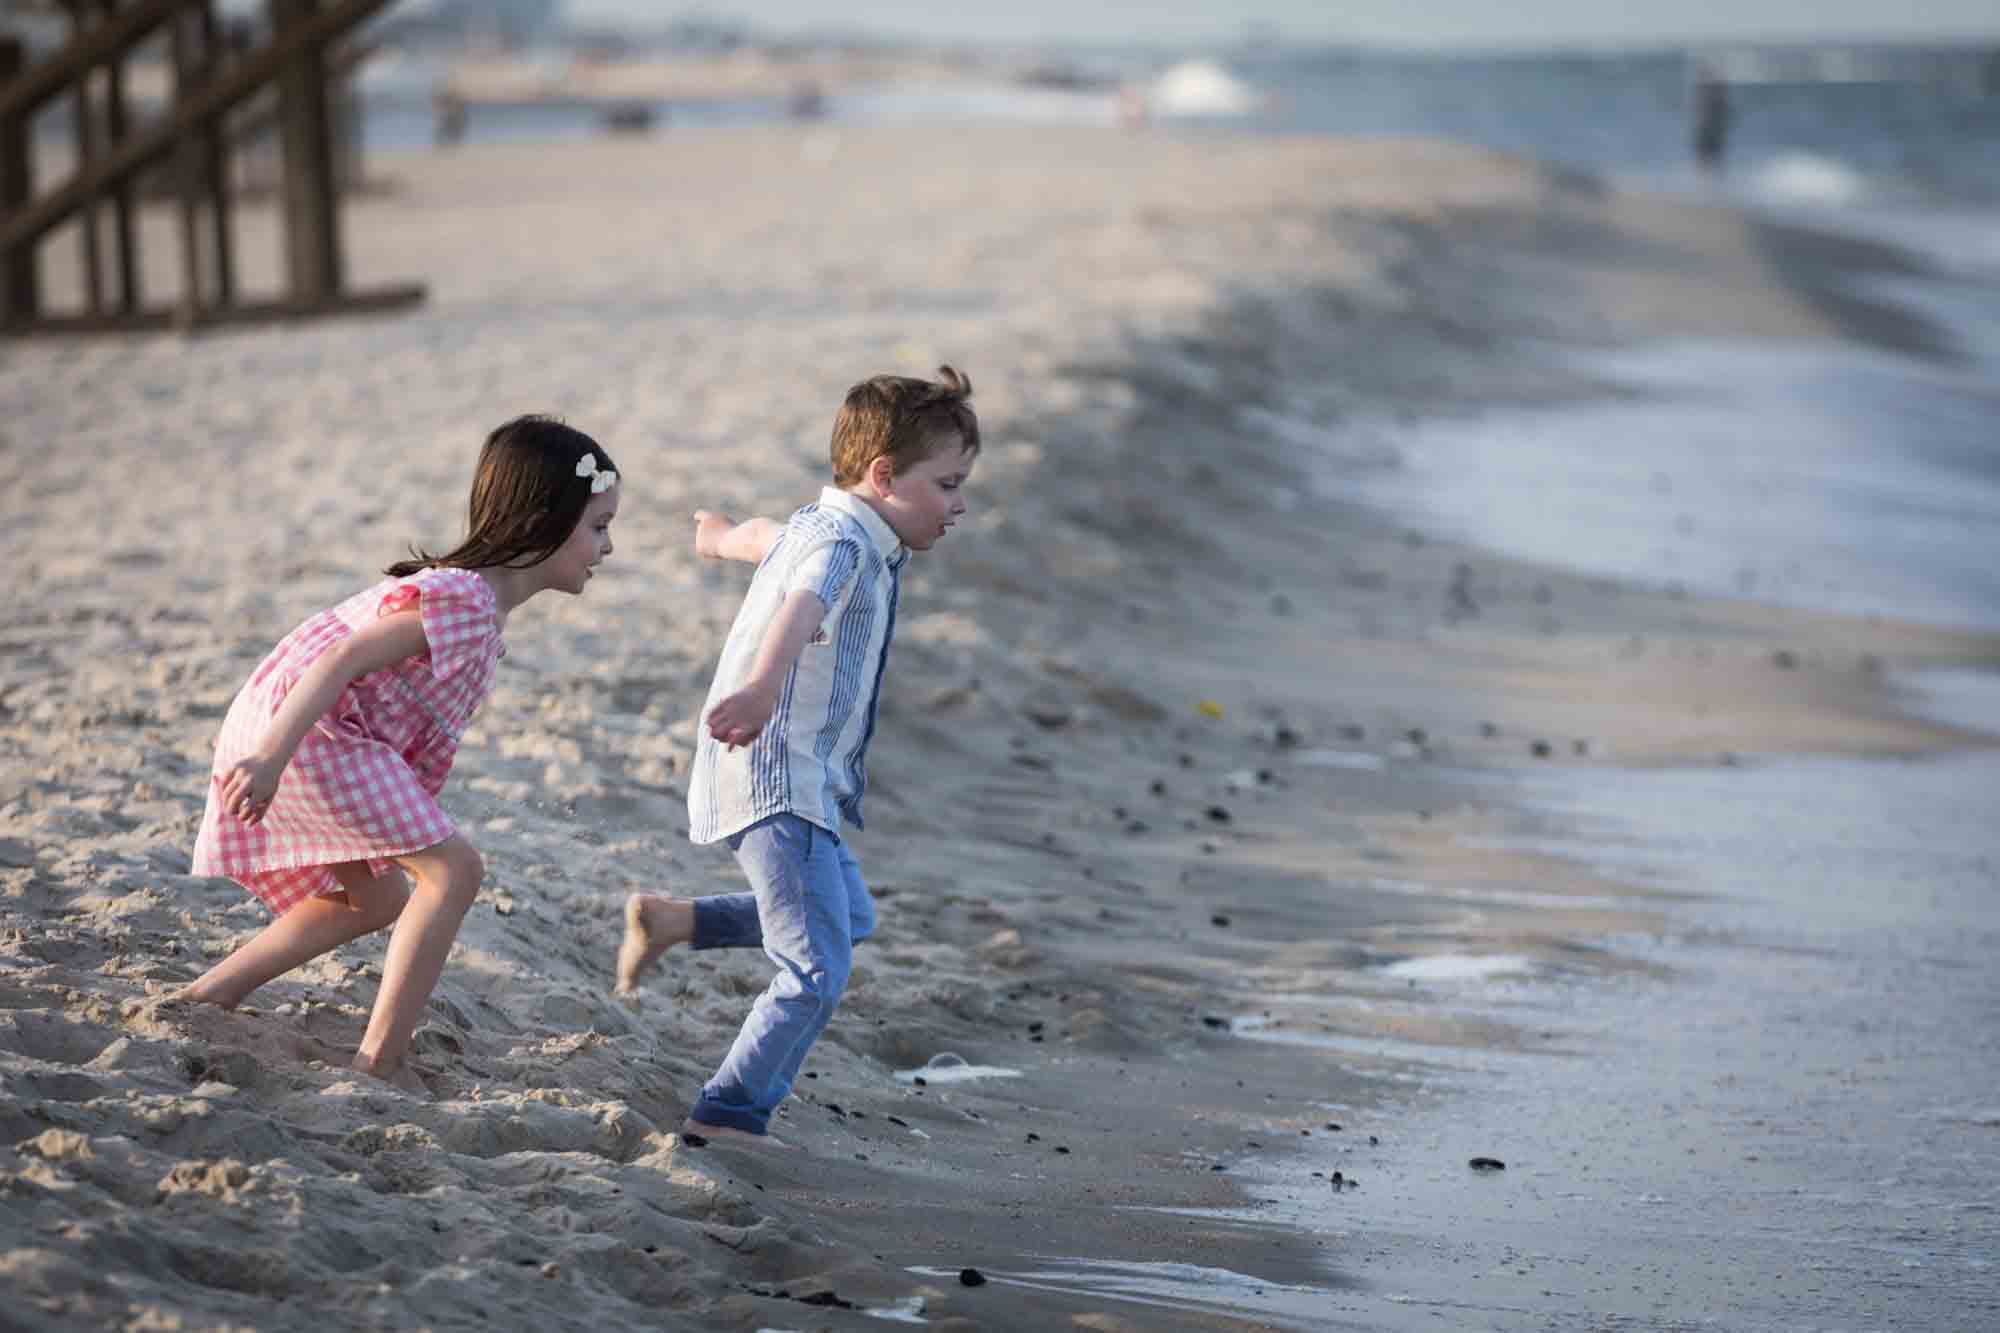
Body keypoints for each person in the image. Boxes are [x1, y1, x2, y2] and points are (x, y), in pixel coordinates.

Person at [182, 415, 621, 1091]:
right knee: (454, 872)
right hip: (312, 735)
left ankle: (212, 993)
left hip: (306, 728)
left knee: (377, 895)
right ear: (544, 522)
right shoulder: (469, 601)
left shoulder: (473, 601)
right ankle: (379, 1058)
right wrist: (271, 756)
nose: (609, 546)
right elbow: (346, 653)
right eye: (597, 526)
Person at [616, 366, 979, 1146]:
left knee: (848, 917)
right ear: (884, 476)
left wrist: (716, 537)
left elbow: (760, 541)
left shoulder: (821, 526)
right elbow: (800, 605)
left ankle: (674, 920)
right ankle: (727, 1113)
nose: (959, 505)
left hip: (793, 774)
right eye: (947, 484)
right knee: (816, 969)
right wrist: (758, 688)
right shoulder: (845, 547)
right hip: (777, 772)